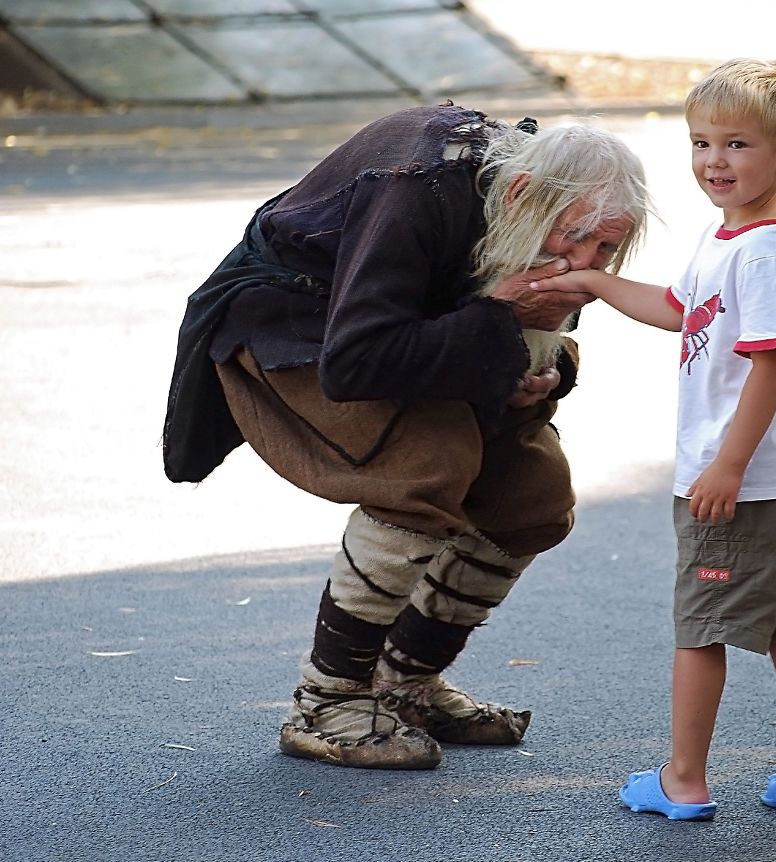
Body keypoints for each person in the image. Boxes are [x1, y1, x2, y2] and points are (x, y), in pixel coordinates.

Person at [162, 103, 650, 769]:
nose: (586, 267)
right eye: (578, 239)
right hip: (297, 324)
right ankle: (326, 702)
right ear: (521, 195)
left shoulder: (533, 205)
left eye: (606, 249)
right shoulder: (417, 184)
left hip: (403, 330)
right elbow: (358, 360)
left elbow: (516, 323)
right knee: (425, 465)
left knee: (532, 494)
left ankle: (406, 686)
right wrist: (499, 327)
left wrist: (544, 368)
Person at [531, 60, 776, 818]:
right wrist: (596, 286)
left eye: (738, 144)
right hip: (773, 478)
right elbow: (682, 308)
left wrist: (726, 466)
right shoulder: (729, 237)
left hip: (737, 480)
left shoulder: (765, 253)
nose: (714, 160)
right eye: (701, 142)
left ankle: (684, 780)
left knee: (699, 631)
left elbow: (769, 360)